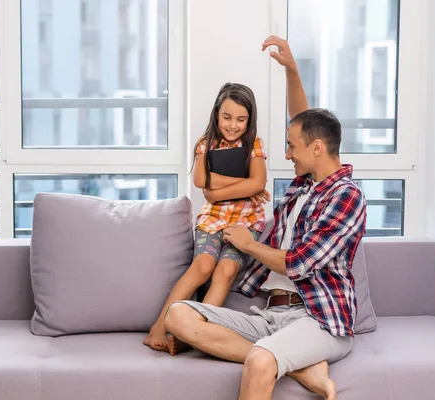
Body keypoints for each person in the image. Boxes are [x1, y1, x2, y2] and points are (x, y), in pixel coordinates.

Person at [163, 36, 367, 400]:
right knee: (178, 316)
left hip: (316, 318)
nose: (286, 154)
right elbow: (303, 123)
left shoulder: (346, 196)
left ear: (316, 149)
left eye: (292, 147)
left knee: (260, 360)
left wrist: (248, 245)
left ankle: (276, 357)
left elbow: (300, 263)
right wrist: (291, 70)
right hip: (269, 317)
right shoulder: (306, 186)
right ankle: (301, 367)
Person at [144, 81, 270, 354]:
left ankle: (195, 331)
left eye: (241, 119)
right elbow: (202, 181)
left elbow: (258, 182)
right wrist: (242, 186)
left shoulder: (255, 145)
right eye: (226, 117)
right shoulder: (206, 144)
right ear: (216, 114)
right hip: (212, 219)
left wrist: (220, 190)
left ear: (250, 120)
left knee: (225, 271)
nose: (233, 125)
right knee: (203, 266)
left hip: (245, 224)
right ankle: (158, 327)